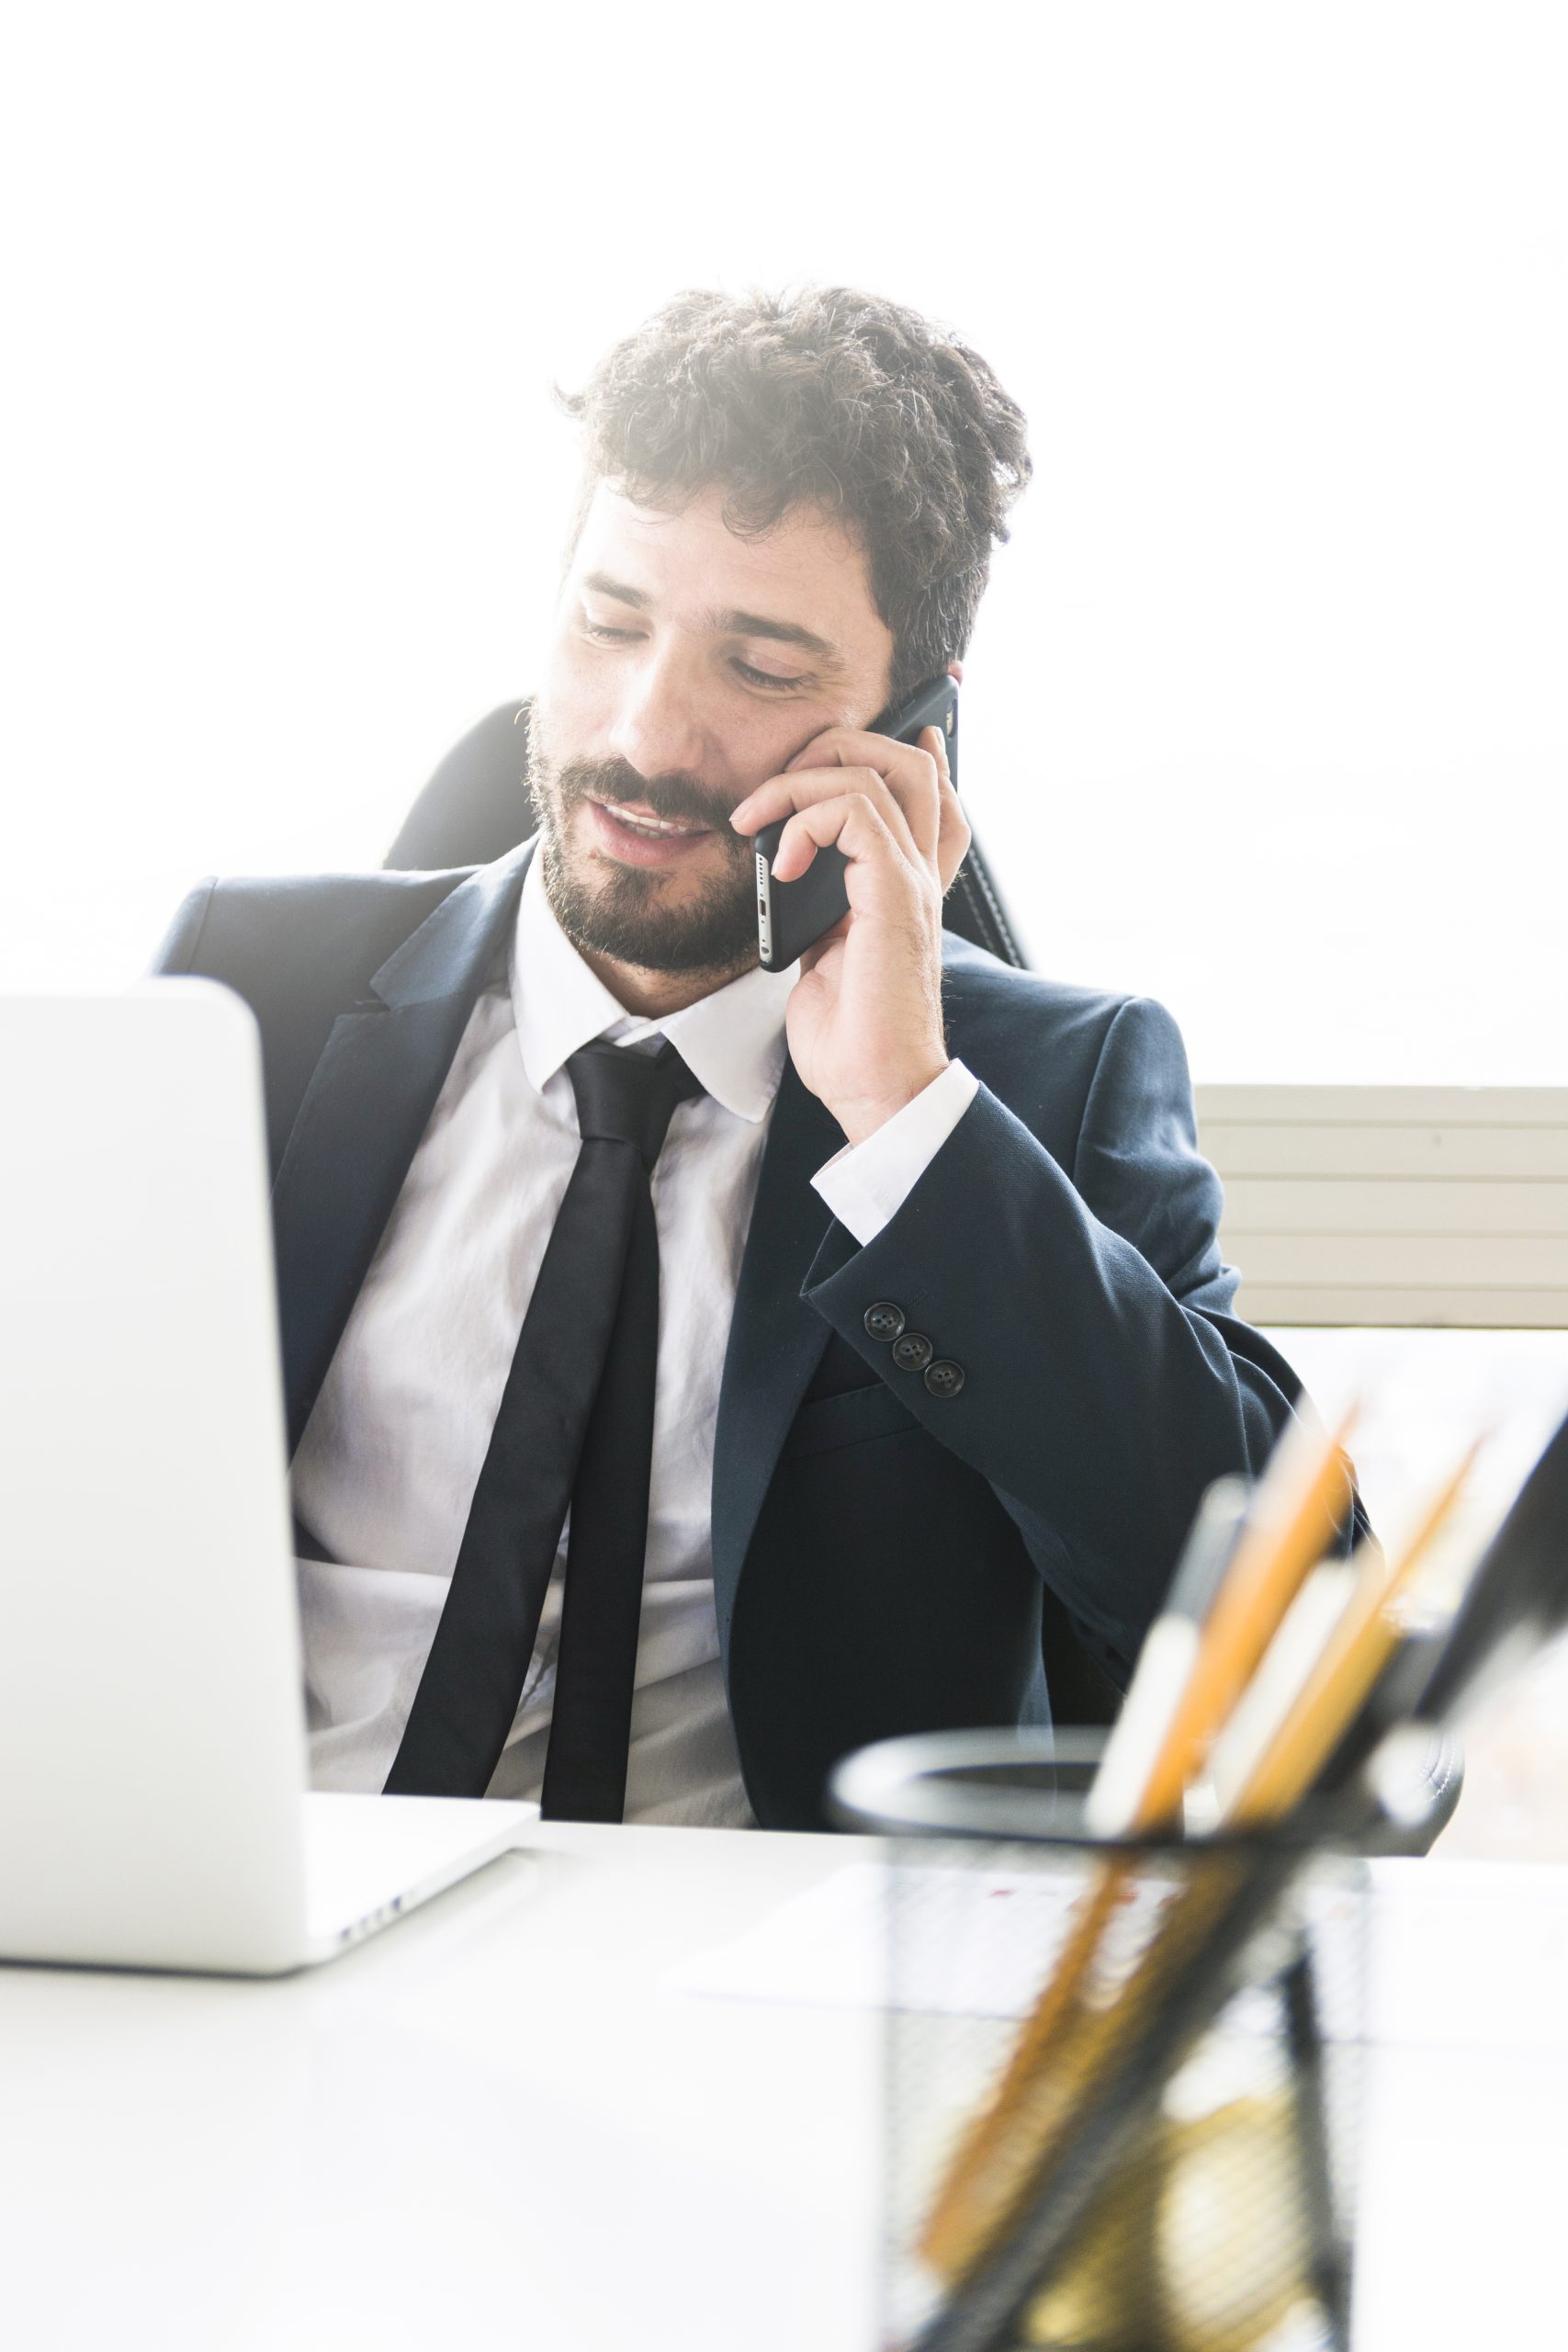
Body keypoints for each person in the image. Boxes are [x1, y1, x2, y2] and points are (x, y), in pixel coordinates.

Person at [152, 284, 1368, 1831]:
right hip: (253, 1924)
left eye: (765, 667)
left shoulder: (1044, 1087)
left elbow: (1301, 1667)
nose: (648, 733)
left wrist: (905, 1120)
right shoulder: (247, 998)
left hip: (747, 2016)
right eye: (607, 625)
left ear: (914, 738)